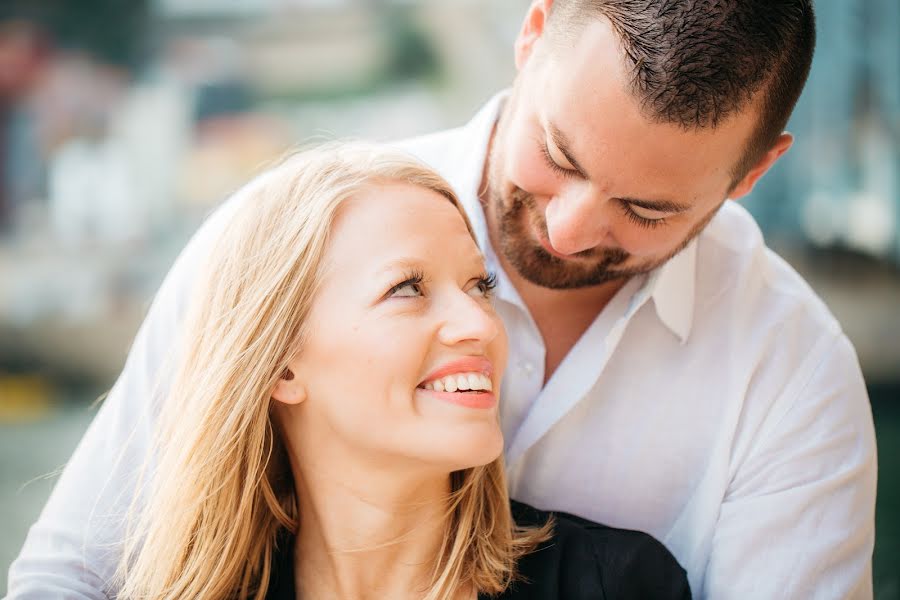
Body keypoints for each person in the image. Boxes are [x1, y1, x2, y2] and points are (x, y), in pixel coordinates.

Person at [8, 1, 877, 598]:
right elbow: (74, 572)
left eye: (646, 209)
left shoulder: (792, 375)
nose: (571, 230)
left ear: (754, 174)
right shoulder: (283, 236)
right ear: (533, 33)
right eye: (560, 156)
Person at [110, 142, 690, 599]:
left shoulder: (618, 585)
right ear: (282, 367)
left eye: (479, 286)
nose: (483, 325)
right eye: (407, 288)